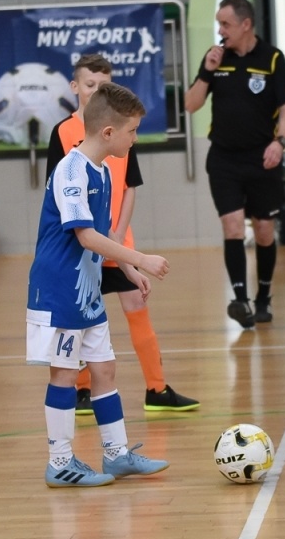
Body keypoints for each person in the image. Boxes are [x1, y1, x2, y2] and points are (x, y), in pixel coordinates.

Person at [29, 83, 173, 487]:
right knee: (63, 374)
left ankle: (116, 455)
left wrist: (125, 269)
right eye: (132, 131)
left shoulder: (104, 170)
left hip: (86, 287)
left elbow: (104, 230)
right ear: (108, 132)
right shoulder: (71, 170)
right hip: (59, 287)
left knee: (105, 369)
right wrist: (140, 258)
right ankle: (59, 463)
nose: (135, 138)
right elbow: (85, 236)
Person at [47, 54, 199, 413]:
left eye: (104, 85)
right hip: (82, 243)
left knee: (136, 304)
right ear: (75, 88)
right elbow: (62, 197)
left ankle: (157, 389)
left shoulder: (122, 134)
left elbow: (130, 185)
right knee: (80, 316)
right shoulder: (67, 139)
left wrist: (118, 235)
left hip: (115, 239)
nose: (97, 91)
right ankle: (81, 391)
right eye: (90, 85)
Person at [184, 0, 285, 329]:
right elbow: (190, 105)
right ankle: (240, 300)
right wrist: (207, 71)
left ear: (245, 24)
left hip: (262, 158)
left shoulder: (273, 58)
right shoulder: (216, 58)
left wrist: (280, 141)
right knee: (232, 226)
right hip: (224, 159)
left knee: (263, 230)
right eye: (219, 24)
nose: (221, 31)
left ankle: (263, 297)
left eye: (226, 24)